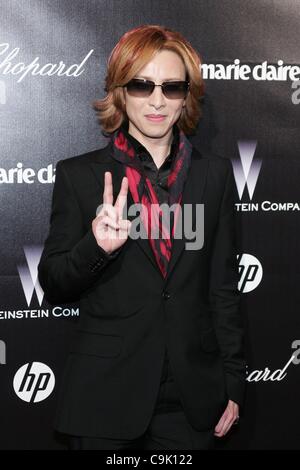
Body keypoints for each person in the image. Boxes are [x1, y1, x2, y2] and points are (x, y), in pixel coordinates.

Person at [38, 24, 246, 450]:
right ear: (120, 91)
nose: (156, 100)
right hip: (106, 397)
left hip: (192, 400)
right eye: (141, 85)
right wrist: (96, 248)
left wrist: (233, 383)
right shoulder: (80, 176)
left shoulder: (214, 176)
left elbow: (222, 290)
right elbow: (55, 281)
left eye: (171, 87)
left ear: (186, 96)